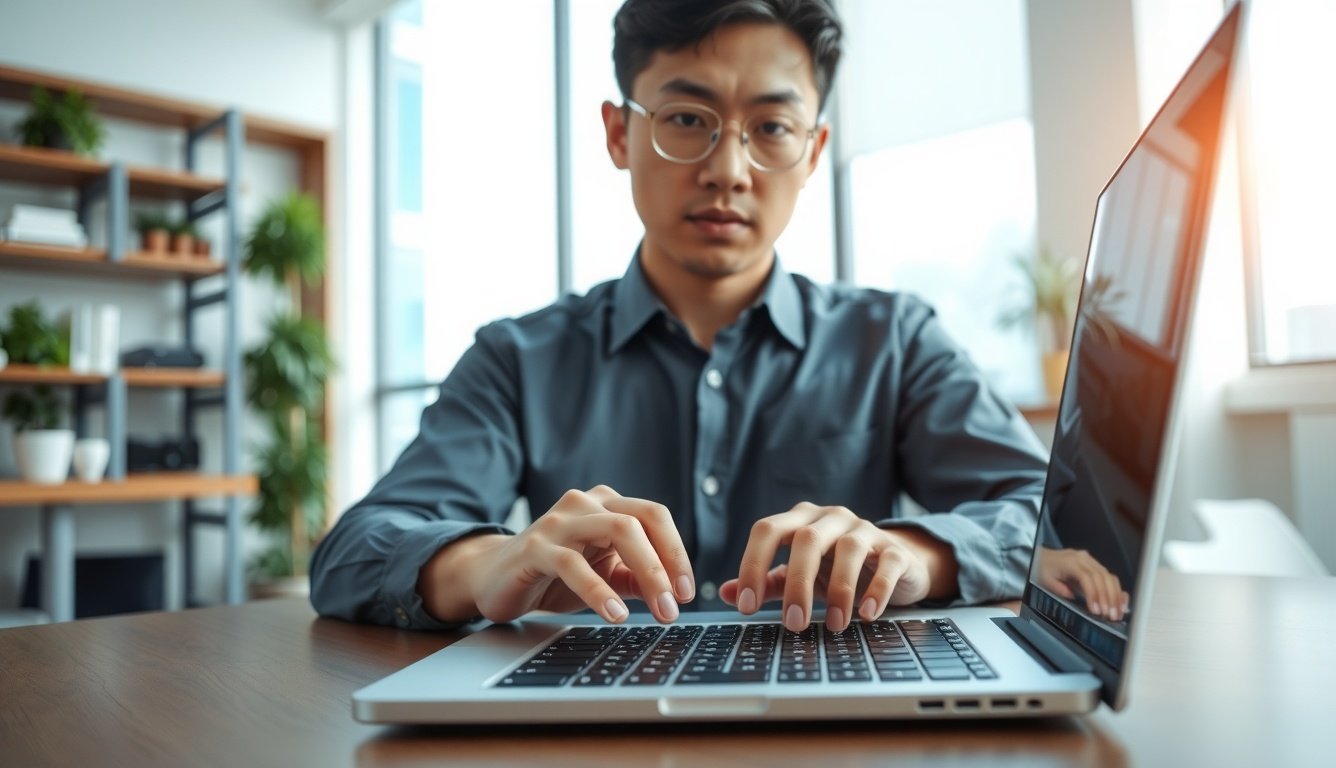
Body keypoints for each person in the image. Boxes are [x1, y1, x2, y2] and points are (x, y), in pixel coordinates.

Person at [311, 0, 1057, 634]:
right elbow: (355, 551)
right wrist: (483, 564)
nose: (728, 169)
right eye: (687, 118)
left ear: (812, 151)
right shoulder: (518, 357)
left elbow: (1056, 521)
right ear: (617, 133)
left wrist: (917, 555)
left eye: (771, 129)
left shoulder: (894, 341)